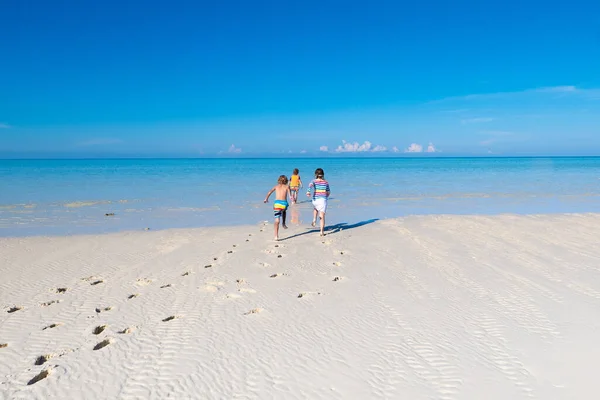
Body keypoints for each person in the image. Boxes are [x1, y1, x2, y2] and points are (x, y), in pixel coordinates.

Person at [264, 175, 291, 241]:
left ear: (278, 180)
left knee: (277, 220)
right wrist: (291, 198)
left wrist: (266, 199)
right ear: (286, 181)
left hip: (277, 204)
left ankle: (276, 236)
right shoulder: (287, 186)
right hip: (284, 204)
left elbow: (269, 192)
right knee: (284, 211)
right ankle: (283, 223)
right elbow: (290, 195)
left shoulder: (276, 186)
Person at [306, 168, 330, 236]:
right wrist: (326, 197)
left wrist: (308, 192)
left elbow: (310, 185)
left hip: (315, 200)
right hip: (322, 200)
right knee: (322, 216)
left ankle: (314, 219)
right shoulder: (326, 182)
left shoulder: (314, 181)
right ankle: (321, 232)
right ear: (323, 175)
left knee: (316, 208)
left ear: (315, 174)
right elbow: (328, 192)